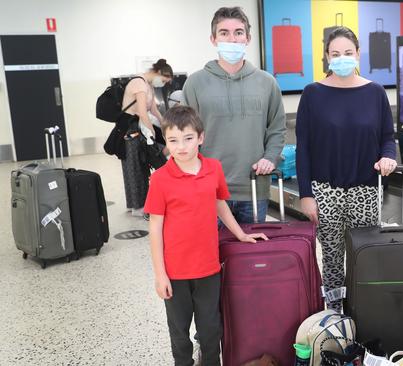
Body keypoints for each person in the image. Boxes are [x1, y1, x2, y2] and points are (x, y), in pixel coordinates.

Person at [145, 105, 268, 366]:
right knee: (180, 335)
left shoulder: (213, 168)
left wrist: (241, 235)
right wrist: (160, 275)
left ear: (201, 137)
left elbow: (219, 204)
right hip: (175, 273)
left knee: (211, 331)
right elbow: (155, 228)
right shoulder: (161, 179)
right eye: (173, 140)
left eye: (188, 138)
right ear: (166, 142)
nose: (181, 147)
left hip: (209, 269)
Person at [295, 26, 397, 312]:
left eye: (348, 53)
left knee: (363, 255)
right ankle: (335, 314)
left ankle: (363, 309)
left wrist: (388, 158)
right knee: (331, 256)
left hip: (365, 189)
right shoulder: (313, 94)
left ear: (358, 54)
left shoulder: (375, 93)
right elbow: (303, 148)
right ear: (327, 57)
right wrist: (306, 194)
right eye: (335, 53)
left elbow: (387, 138)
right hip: (325, 190)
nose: (342, 58)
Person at [182, 6, 286, 224]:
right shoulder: (195, 83)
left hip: (254, 186)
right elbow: (185, 134)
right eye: (224, 33)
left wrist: (269, 157)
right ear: (213, 39)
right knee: (213, 254)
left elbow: (277, 129)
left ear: (247, 38)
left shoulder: (267, 83)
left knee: (252, 256)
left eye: (238, 32)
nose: (232, 39)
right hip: (210, 189)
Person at [120, 58, 173, 217]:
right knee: (134, 166)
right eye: (163, 80)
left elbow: (155, 111)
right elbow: (143, 113)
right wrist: (153, 133)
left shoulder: (148, 85)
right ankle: (137, 207)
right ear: (158, 73)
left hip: (139, 127)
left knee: (141, 165)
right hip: (131, 129)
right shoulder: (139, 84)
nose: (162, 84)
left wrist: (167, 128)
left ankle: (138, 203)